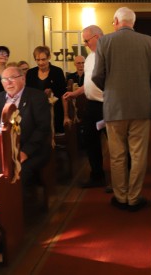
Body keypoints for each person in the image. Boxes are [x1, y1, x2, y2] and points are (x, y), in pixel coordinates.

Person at [92, 7, 151, 211]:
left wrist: (111, 88)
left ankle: (120, 196)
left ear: (115, 21)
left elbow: (97, 75)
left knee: (117, 154)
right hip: (141, 106)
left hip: (114, 107)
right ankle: (134, 196)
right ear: (133, 22)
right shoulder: (148, 41)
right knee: (138, 154)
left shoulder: (105, 41)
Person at [0, 66, 52, 188]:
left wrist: (25, 152)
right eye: (4, 79)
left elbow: (42, 128)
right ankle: (0, 203)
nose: (8, 82)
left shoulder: (37, 97)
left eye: (12, 78)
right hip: (4, 151)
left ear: (23, 79)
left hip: (32, 150)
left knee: (20, 172)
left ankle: (19, 205)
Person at [63, 25, 108, 189]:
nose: (86, 43)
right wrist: (76, 93)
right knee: (90, 140)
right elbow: (89, 83)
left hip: (107, 105)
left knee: (115, 143)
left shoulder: (108, 54)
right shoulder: (89, 57)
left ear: (97, 36)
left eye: (87, 40)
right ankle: (97, 175)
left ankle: (122, 179)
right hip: (92, 105)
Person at [25, 46, 67, 133]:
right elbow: (27, 94)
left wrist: (66, 116)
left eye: (43, 59)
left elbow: (63, 94)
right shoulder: (30, 73)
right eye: (38, 60)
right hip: (36, 113)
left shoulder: (57, 72)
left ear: (49, 57)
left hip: (55, 112)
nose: (41, 62)